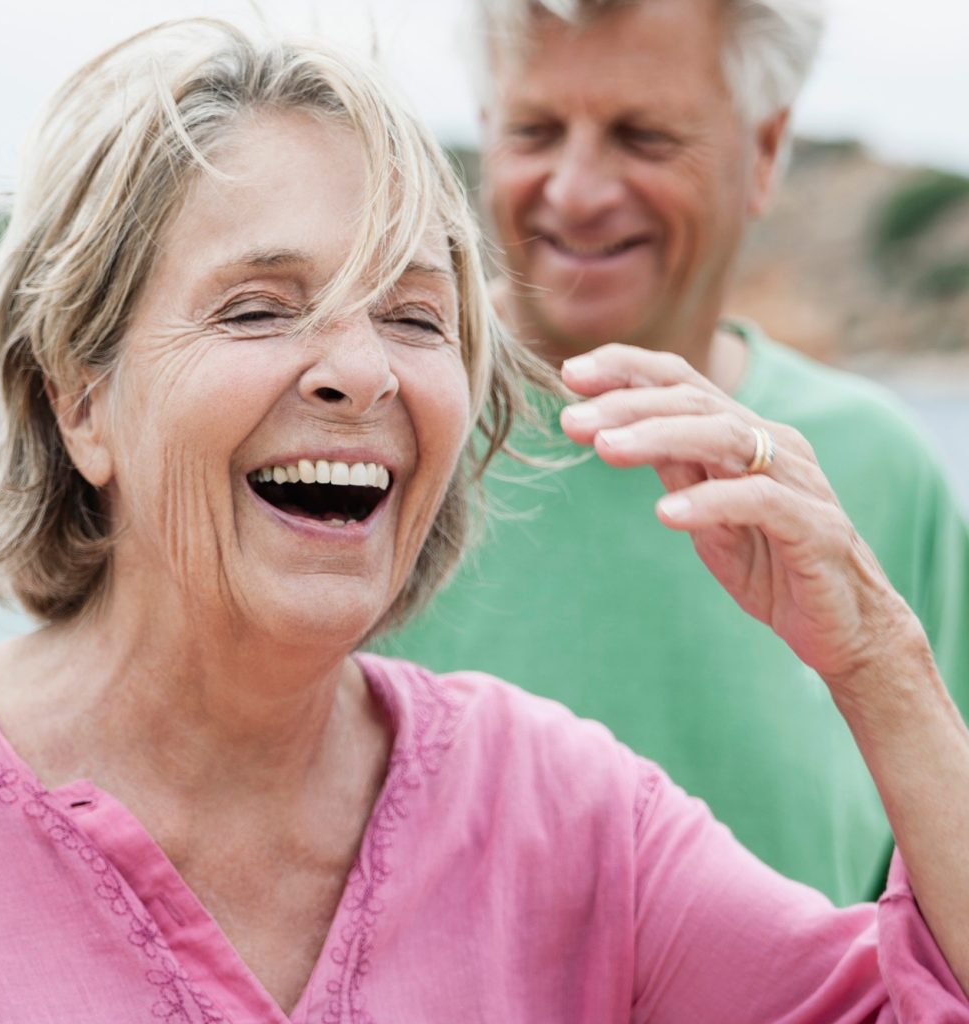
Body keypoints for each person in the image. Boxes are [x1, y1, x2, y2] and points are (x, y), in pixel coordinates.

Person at [0, 19, 969, 1022]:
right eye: (259, 308)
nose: (361, 371)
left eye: (414, 316)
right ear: (79, 399)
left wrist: (879, 663)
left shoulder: (572, 820)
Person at [385, 0, 969, 906]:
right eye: (535, 130)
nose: (576, 192)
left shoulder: (880, 472)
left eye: (644, 137)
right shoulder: (372, 432)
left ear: (764, 152)